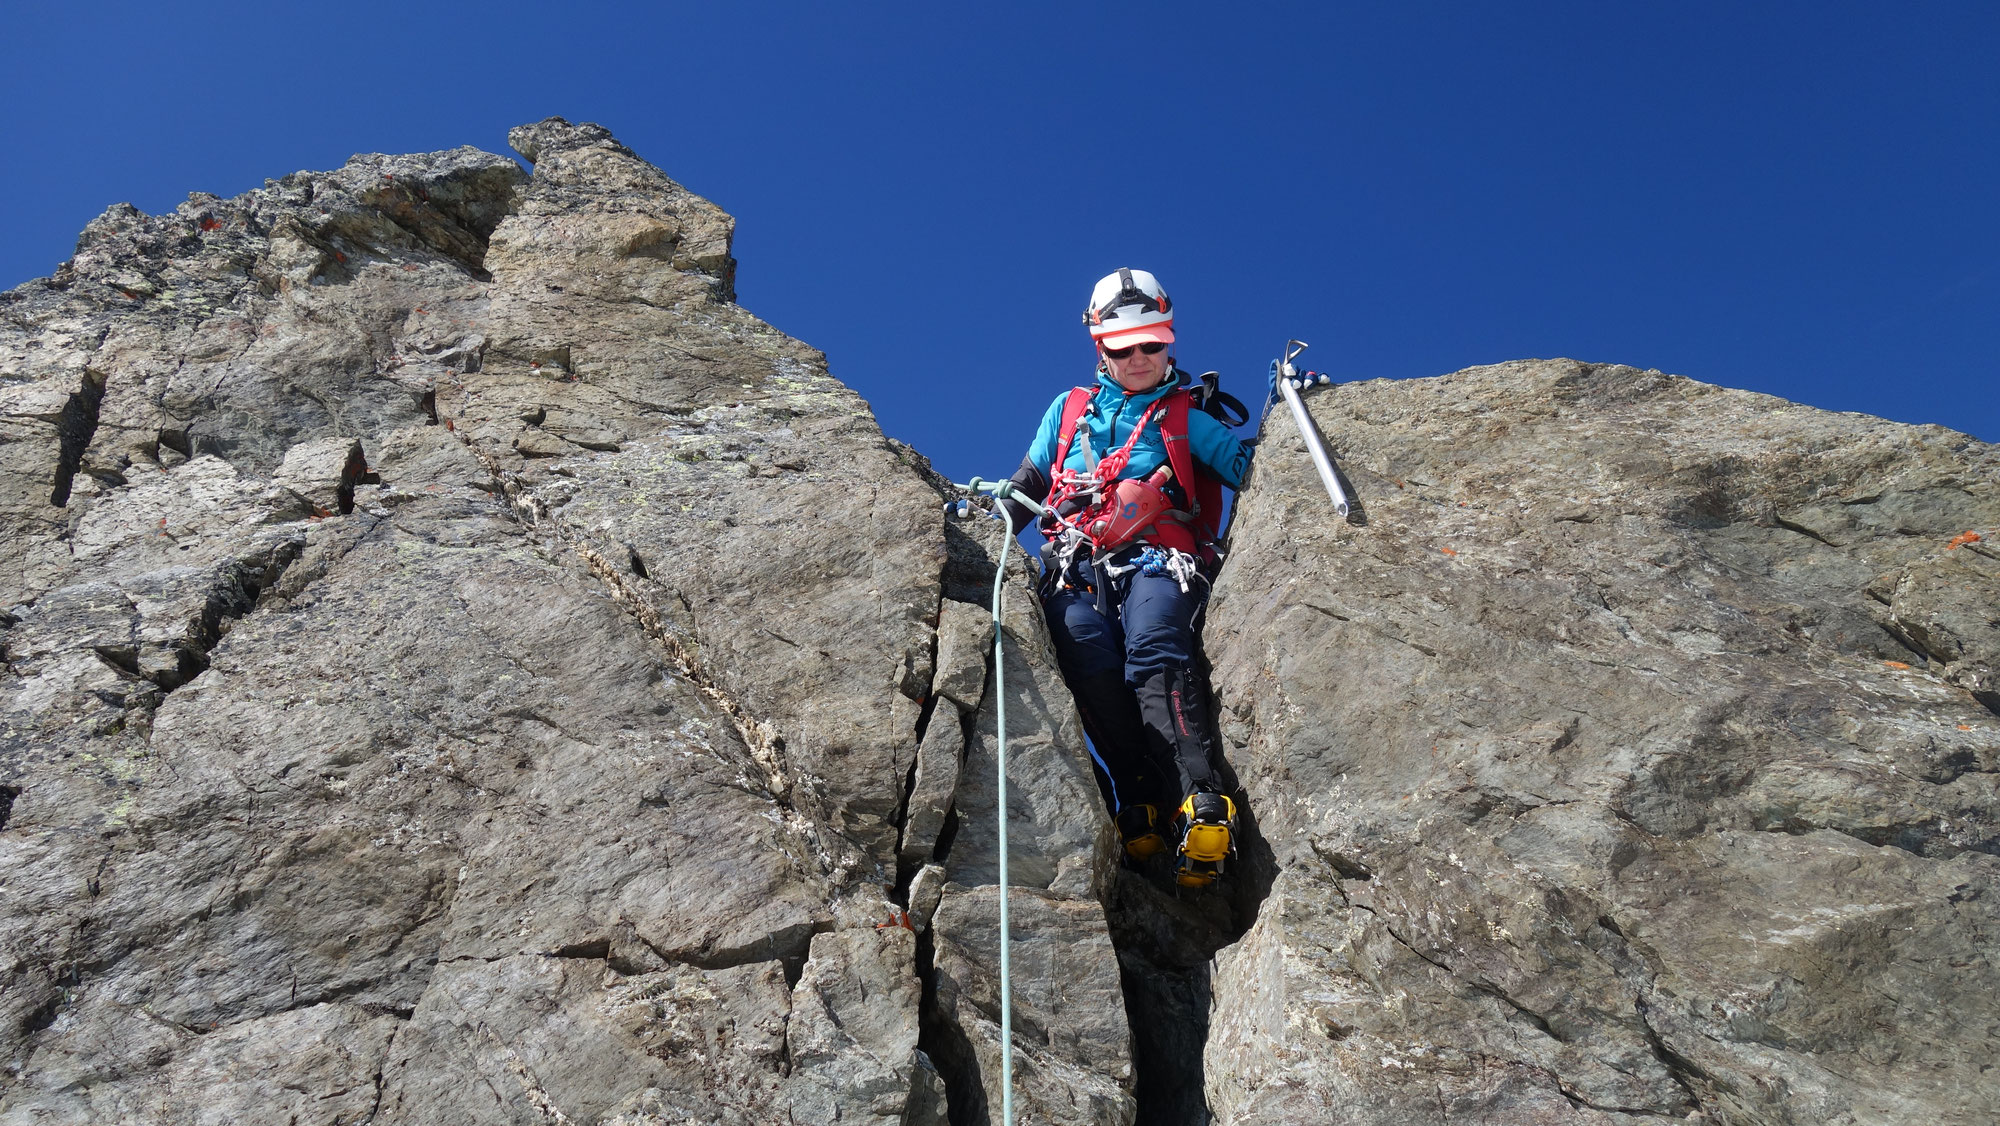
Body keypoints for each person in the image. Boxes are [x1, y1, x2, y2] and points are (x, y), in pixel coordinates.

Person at [998, 268, 1254, 887]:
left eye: (1153, 344)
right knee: (1088, 660)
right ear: (1099, 347)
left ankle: (1197, 795)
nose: (1140, 357)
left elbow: (1254, 473)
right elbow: (1028, 487)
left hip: (1160, 561)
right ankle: (1136, 797)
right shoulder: (1068, 412)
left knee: (1153, 646)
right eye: (1123, 348)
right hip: (1076, 568)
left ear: (1169, 342)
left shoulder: (1187, 419)